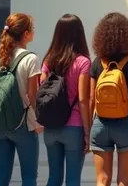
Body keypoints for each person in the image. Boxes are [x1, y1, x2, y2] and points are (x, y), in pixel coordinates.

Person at [89, 12, 128, 186]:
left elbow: (91, 98)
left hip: (100, 124)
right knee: (124, 182)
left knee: (102, 179)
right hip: (125, 125)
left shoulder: (97, 63)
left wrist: (89, 128)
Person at [40, 14, 91, 186]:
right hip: (74, 127)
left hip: (51, 127)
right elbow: (83, 99)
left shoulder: (48, 61)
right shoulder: (83, 62)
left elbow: (43, 89)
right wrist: (87, 132)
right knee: (72, 180)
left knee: (53, 178)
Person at [0, 13, 42, 186]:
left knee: (1, 176)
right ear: (26, 34)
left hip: (1, 123)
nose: (34, 32)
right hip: (23, 124)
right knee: (29, 177)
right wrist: (38, 121)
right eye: (33, 29)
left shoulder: (1, 57)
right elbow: (32, 95)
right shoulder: (30, 58)